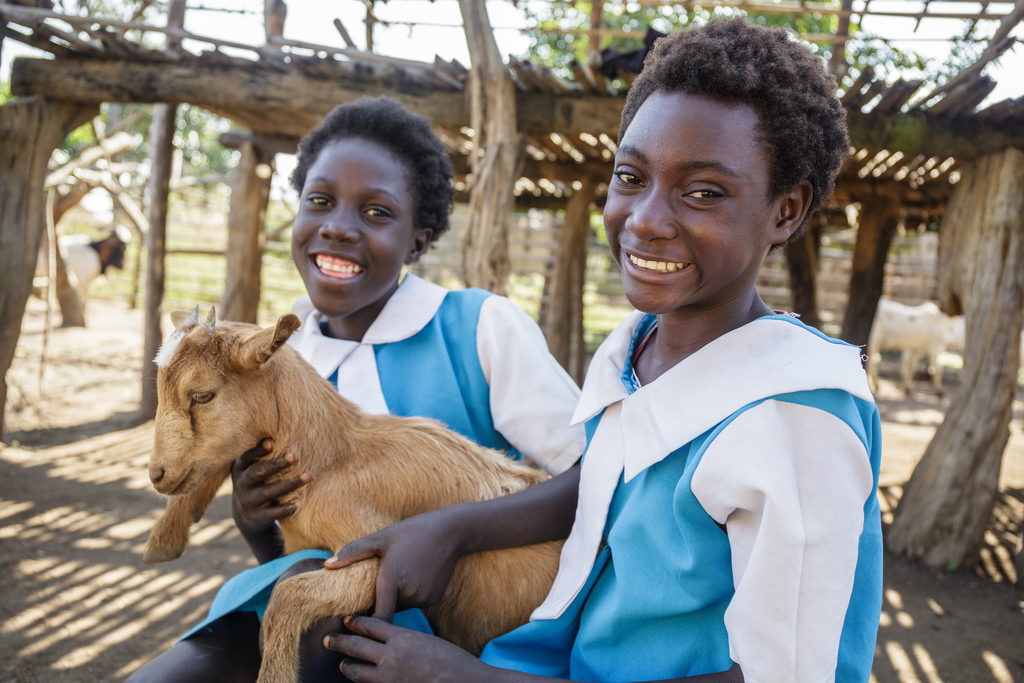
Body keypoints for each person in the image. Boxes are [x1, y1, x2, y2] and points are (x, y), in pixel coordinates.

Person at [320, 18, 883, 683]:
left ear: (785, 211)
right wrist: (453, 528)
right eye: (630, 175)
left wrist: (468, 678)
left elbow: (779, 677)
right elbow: (606, 480)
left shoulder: (795, 418)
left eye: (702, 192)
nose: (644, 217)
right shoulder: (637, 351)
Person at [125, 95, 586, 683]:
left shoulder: (479, 327)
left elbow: (594, 478)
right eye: (319, 201)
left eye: (375, 213)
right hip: (324, 612)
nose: (338, 227)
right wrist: (252, 517)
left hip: (461, 647)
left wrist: (452, 528)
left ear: (418, 241)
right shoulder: (271, 361)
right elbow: (308, 561)